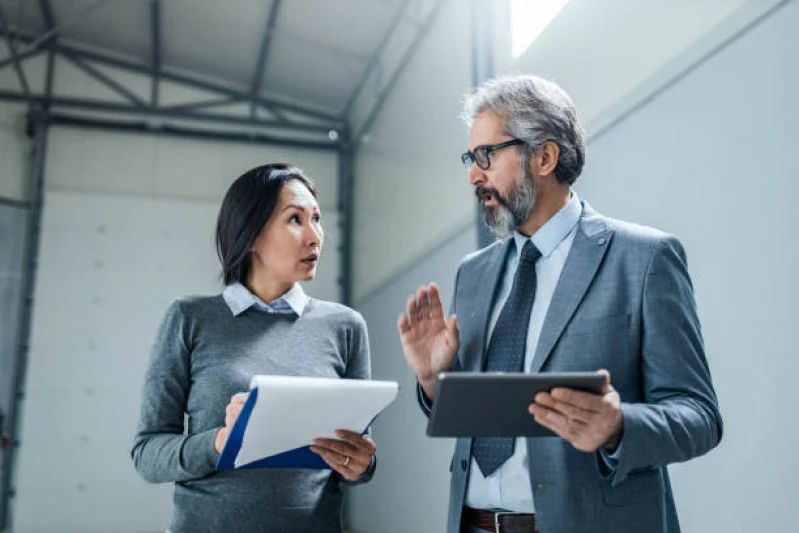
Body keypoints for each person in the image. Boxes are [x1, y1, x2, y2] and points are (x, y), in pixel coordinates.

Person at [398, 75, 722, 533]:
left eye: (486, 156)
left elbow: (699, 416)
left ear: (545, 156)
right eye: (470, 159)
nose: (474, 174)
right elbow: (480, 415)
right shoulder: (473, 274)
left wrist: (617, 426)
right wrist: (434, 382)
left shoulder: (644, 259)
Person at [132, 163, 377, 533]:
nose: (315, 236)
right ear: (250, 235)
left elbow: (356, 455)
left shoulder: (346, 326)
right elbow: (147, 454)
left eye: (317, 218)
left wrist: (362, 465)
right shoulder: (190, 318)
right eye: (295, 219)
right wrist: (219, 442)